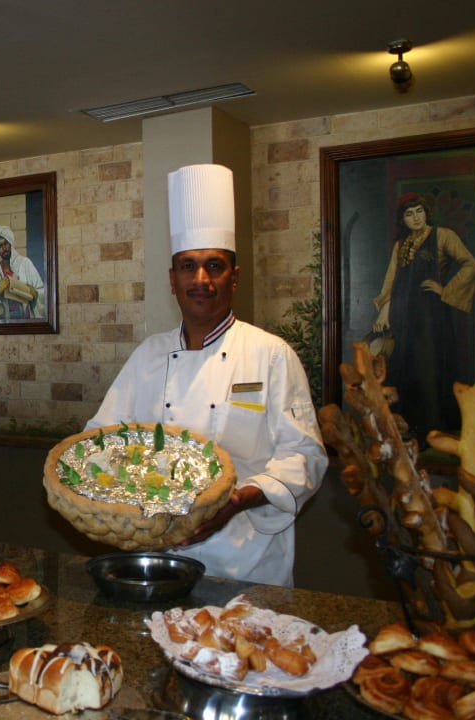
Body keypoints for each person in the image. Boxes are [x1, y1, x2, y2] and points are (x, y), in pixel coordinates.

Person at [86, 164, 328, 588]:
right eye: (188, 266)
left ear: (235, 278)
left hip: (245, 562)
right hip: (157, 555)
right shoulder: (148, 356)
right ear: (172, 280)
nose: (201, 279)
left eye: (214, 266)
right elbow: (101, 440)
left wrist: (236, 501)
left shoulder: (270, 354)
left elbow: (304, 456)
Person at [372, 192, 475, 442]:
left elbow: (470, 264)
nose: (416, 217)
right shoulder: (401, 245)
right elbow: (391, 281)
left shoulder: (443, 235)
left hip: (431, 316)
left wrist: (445, 290)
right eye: (409, 214)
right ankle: (407, 429)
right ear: (403, 220)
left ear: (426, 212)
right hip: (402, 315)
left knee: (428, 367)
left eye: (419, 211)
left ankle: (431, 429)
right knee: (404, 366)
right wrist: (385, 310)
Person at [0, 225, 46, 319]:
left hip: (27, 319)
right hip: (6, 320)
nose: (4, 248)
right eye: (0, 246)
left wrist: (33, 292)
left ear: (10, 243)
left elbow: (42, 291)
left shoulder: (25, 263)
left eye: (6, 243)